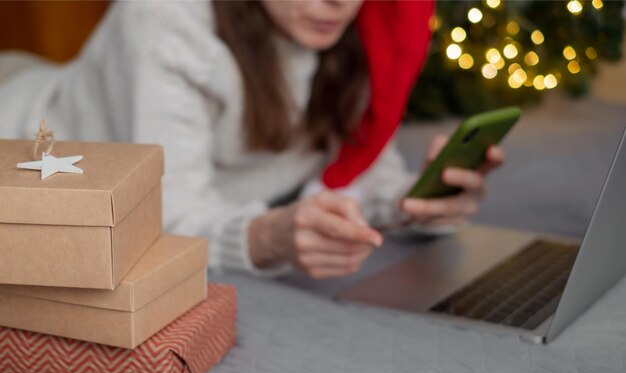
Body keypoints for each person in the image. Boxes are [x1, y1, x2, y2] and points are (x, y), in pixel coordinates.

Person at [0, 1, 504, 279]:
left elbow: (357, 169)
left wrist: (413, 201)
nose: (339, 2)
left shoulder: (364, 21)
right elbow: (162, 223)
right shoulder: (160, 20)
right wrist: (265, 237)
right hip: (27, 132)